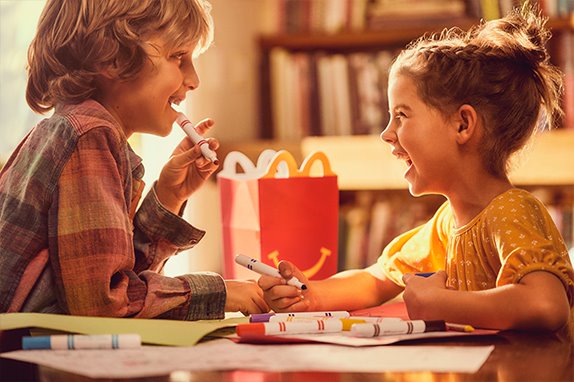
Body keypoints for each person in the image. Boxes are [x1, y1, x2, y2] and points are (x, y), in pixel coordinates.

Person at [259, 4, 574, 339]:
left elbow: (546, 305)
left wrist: (441, 304)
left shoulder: (512, 213)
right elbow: (377, 279)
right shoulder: (446, 225)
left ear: (463, 124)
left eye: (402, 115)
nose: (387, 133)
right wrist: (310, 295)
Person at [0, 0, 268, 319]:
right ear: (113, 58)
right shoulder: (89, 136)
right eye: (178, 57)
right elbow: (102, 306)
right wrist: (218, 292)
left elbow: (116, 281)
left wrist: (169, 196)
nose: (194, 79)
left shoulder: (78, 131)